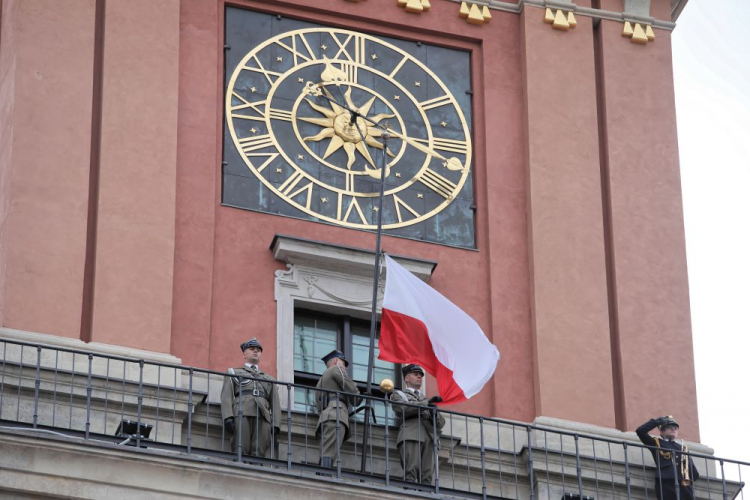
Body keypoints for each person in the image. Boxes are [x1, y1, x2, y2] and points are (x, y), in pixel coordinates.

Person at [220, 338, 280, 458]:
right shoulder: (234, 372)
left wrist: (276, 424)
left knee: (259, 451)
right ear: (244, 354)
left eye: (258, 350)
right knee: (240, 447)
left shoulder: (269, 379)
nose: (255, 352)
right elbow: (226, 396)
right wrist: (227, 417)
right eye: (252, 349)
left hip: (263, 414)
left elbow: (275, 403)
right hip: (242, 411)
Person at [390, 364, 445, 485]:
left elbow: (441, 423)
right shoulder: (399, 394)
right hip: (411, 433)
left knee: (427, 476)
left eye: (420, 375)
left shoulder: (425, 399)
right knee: (410, 472)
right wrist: (426, 404)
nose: (419, 377)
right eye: (415, 374)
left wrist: (434, 413)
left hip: (429, 437)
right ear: (406, 378)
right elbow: (402, 408)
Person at [315, 349, 361, 469]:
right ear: (336, 361)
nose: (345, 368)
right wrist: (359, 393)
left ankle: (323, 473)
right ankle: (324, 476)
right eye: (343, 364)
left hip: (325, 416)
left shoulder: (321, 380)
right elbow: (354, 394)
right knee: (329, 452)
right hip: (336, 414)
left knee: (326, 450)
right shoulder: (336, 369)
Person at [636, 415, 700, 500]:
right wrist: (657, 421)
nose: (673, 429)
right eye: (669, 427)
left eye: (675, 427)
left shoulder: (683, 449)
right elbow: (640, 431)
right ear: (662, 432)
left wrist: (687, 479)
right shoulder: (657, 443)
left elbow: (694, 473)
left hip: (684, 486)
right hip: (666, 482)